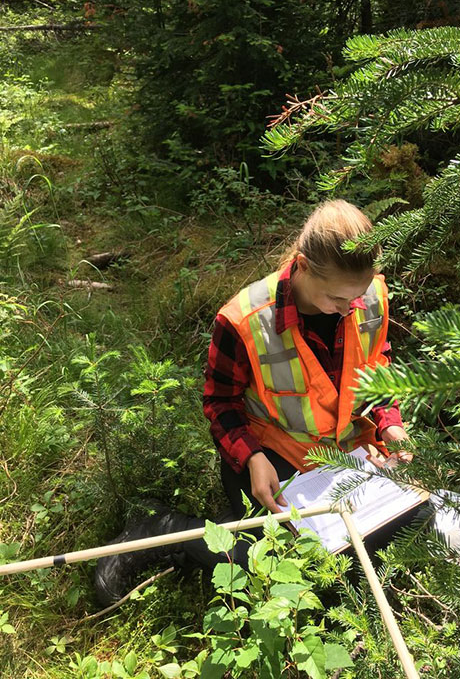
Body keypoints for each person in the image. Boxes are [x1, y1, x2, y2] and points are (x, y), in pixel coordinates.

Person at [94, 200, 418, 607]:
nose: (349, 308)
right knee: (304, 569)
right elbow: (220, 403)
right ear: (302, 266)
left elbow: (378, 365)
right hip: (272, 460)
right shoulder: (244, 320)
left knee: (406, 527)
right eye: (337, 298)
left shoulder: (369, 296)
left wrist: (390, 423)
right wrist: (252, 459)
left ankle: (213, 544)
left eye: (358, 296)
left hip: (347, 455)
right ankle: (165, 530)